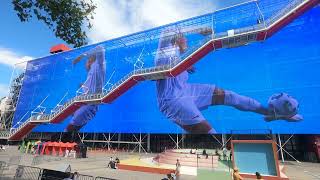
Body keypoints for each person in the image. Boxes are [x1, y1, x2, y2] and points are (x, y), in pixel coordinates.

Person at [154, 27, 302, 134]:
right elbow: (167, 32)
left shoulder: (177, 56)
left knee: (230, 96)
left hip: (186, 90)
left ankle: (272, 113)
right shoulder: (164, 53)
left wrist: (185, 67)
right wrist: (199, 29)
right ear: (177, 40)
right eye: (183, 38)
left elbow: (174, 69)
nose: (186, 39)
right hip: (172, 99)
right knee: (207, 131)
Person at [65, 45, 106, 132]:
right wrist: (83, 85)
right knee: (67, 108)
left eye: (86, 63)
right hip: (86, 103)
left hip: (90, 105)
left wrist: (81, 56)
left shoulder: (98, 65)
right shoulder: (91, 73)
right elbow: (93, 85)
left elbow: (100, 48)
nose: (85, 65)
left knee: (70, 128)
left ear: (90, 61)